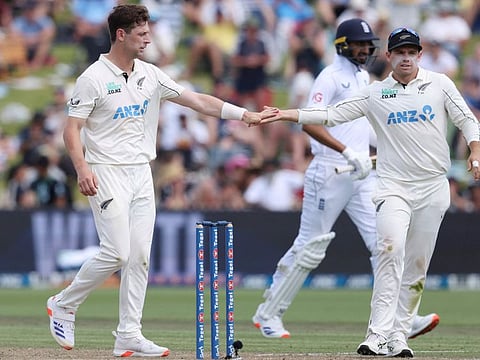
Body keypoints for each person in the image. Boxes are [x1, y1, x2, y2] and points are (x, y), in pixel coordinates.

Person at [46, 4, 260, 358]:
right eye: (142, 33)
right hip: (106, 171)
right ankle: (64, 303)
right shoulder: (93, 78)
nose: (149, 39)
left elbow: (196, 100)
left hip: (142, 173)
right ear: (121, 34)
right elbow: (72, 129)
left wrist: (243, 115)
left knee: (140, 257)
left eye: (149, 32)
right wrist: (82, 169)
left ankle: (129, 334)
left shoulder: (151, 74)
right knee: (117, 251)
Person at [258, 27, 480, 357]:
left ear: (419, 55)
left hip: (428, 186)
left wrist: (475, 151)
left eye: (411, 52)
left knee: (411, 263)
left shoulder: (439, 84)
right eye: (399, 52)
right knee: (386, 250)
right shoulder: (371, 90)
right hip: (383, 184)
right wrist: (285, 114)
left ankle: (398, 335)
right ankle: (374, 333)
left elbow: (466, 120)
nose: (405, 57)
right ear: (389, 56)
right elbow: (329, 115)